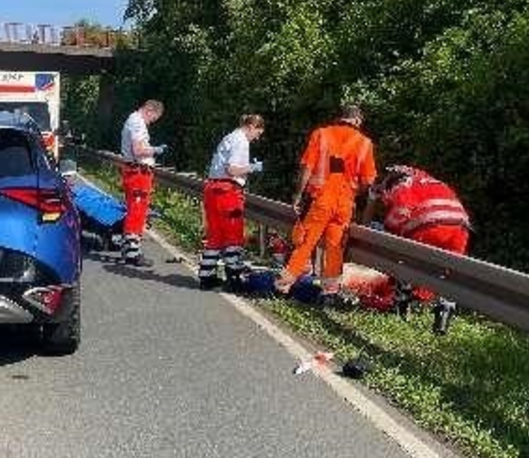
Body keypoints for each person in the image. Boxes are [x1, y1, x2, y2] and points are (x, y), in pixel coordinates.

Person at [275, 104, 377, 302]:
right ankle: (329, 293)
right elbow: (368, 182)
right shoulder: (365, 143)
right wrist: (353, 191)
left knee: (306, 243)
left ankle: (283, 285)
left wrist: (298, 195)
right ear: (357, 121)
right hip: (345, 203)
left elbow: (307, 168)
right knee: (335, 247)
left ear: (340, 117)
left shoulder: (321, 134)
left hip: (320, 200)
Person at [363, 164, 471, 334]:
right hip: (460, 226)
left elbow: (401, 214)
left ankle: (401, 306)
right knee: (449, 274)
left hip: (430, 225)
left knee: (404, 259)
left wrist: (389, 227)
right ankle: (444, 311)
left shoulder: (401, 185)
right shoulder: (434, 182)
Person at [199, 114, 266, 290]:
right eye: (258, 133)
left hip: (213, 189)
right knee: (233, 235)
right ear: (251, 126)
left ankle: (206, 277)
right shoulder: (241, 141)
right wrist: (253, 167)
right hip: (227, 192)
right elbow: (232, 169)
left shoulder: (229, 137)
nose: (257, 137)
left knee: (215, 235)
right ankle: (234, 278)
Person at [118, 100, 166, 267]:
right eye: (153, 118)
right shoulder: (138, 122)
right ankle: (132, 254)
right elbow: (138, 150)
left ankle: (128, 248)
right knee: (137, 212)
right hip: (138, 172)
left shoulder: (132, 119)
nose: (151, 122)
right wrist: (155, 149)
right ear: (150, 111)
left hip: (134, 171)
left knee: (135, 210)